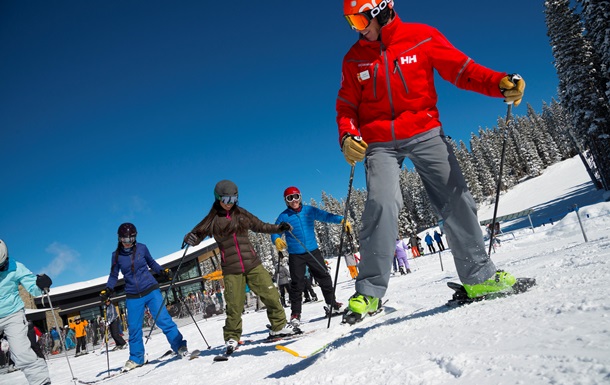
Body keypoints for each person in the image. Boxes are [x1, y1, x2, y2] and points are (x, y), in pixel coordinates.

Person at [337, 1, 525, 321]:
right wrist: (347, 135)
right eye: (350, 22)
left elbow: (462, 70)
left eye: (358, 19)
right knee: (382, 203)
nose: (356, 29)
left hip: (425, 132)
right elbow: (346, 105)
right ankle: (369, 294)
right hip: (380, 142)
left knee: (457, 198)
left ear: (380, 11)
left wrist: (496, 83)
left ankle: (479, 278)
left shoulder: (421, 36)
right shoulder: (354, 58)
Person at [183, 180, 300, 356]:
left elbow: (260, 226)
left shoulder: (241, 214)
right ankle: (232, 337)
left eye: (234, 199)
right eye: (226, 199)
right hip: (232, 269)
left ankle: (279, 326)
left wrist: (278, 228)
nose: (230, 203)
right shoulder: (212, 220)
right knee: (234, 305)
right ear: (218, 198)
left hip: (252, 263)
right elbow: (196, 234)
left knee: (271, 294)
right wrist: (190, 238)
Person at [101, 223, 188, 372]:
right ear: (119, 238)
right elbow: (114, 275)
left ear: (135, 237)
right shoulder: (116, 256)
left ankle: (179, 345)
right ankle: (137, 358)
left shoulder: (142, 248)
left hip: (150, 288)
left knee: (163, 319)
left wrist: (162, 272)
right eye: (124, 239)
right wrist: (108, 289)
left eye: (131, 238)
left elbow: (152, 263)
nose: (127, 242)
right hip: (133, 295)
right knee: (134, 328)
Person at [271, 186, 349, 323]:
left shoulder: (309, 211)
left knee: (324, 277)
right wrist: (276, 239)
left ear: (300, 197)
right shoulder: (283, 216)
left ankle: (332, 305)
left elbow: (326, 216)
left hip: (313, 251)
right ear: (286, 201)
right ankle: (295, 314)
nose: (294, 200)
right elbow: (275, 231)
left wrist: (341, 220)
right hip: (296, 255)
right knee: (297, 284)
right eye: (290, 198)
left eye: (296, 197)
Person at [0, 239, 52, 385]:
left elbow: (33, 288)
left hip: (12, 314)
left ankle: (41, 382)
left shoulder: (16, 267)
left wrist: (41, 285)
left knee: (22, 353)